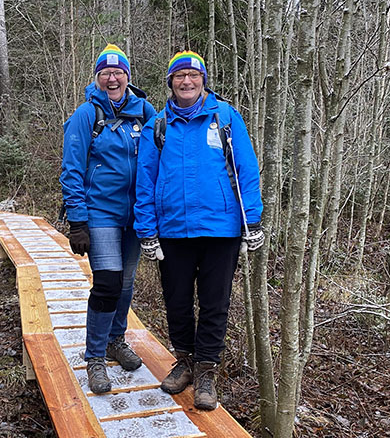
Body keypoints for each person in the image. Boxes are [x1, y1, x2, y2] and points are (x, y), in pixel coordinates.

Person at [134, 51, 264, 410]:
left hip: (221, 229)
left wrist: (251, 220)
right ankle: (185, 361)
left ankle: (207, 370)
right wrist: (146, 229)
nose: (186, 82)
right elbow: (145, 181)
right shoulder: (157, 127)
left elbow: (246, 171)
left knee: (214, 303)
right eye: (180, 76)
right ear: (171, 82)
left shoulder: (226, 118)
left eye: (193, 76)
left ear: (203, 80)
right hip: (173, 230)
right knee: (176, 301)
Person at [60, 44, 156, 394]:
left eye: (118, 72)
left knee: (127, 283)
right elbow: (71, 169)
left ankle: (116, 339)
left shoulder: (145, 112)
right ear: (98, 78)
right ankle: (95, 357)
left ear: (128, 76)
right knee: (108, 284)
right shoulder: (87, 115)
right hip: (100, 212)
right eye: (105, 73)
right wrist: (78, 221)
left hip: (136, 214)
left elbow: (162, 155)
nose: (112, 78)